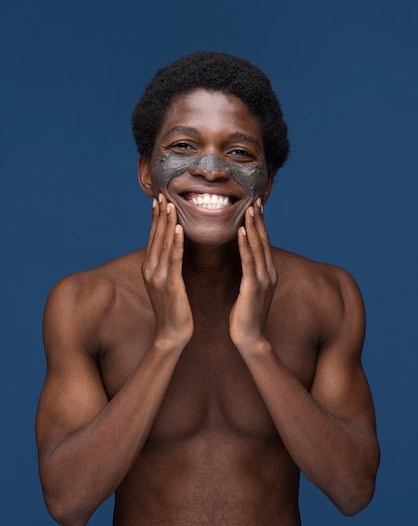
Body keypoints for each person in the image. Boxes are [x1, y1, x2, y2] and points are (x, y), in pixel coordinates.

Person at [36, 51, 380, 526]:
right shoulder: (85, 304)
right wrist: (166, 343)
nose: (213, 168)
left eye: (239, 153)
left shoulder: (327, 297)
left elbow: (354, 490)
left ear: (267, 184)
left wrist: (257, 346)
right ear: (144, 172)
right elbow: (67, 503)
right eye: (183, 146)